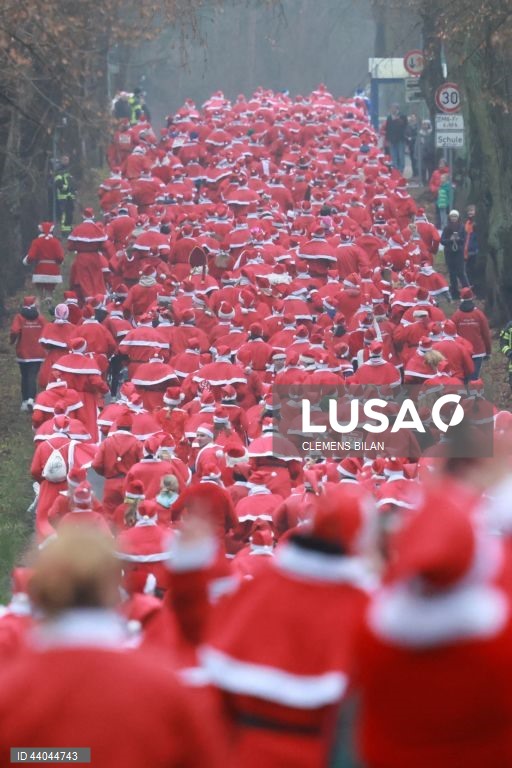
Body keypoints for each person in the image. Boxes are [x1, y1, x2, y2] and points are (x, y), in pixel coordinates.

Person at [0, 529, 225, 768]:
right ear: (112, 586)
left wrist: (65, 756)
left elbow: (21, 755)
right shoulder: (165, 687)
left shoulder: (11, 692)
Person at [9, 297, 46, 411]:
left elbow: (14, 331)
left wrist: (12, 341)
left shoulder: (19, 317)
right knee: (32, 376)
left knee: (25, 376)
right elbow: (47, 331)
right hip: (38, 352)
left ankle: (25, 401)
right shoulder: (40, 318)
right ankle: (31, 399)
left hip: (23, 352)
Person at [440, 209, 469, 300]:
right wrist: (450, 240)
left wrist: (458, 239)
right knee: (452, 274)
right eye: (452, 216)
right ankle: (455, 293)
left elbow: (464, 239)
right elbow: (442, 241)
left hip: (458, 253)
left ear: (458, 217)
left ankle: (467, 291)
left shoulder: (461, 227)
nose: (454, 218)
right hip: (449, 253)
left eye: (455, 216)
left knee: (461, 272)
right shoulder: (446, 228)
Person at [53, 156, 76, 235]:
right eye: (65, 160)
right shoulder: (59, 170)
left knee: (70, 213)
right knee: (64, 213)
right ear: (61, 160)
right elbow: (57, 181)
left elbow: (71, 181)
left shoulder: (68, 170)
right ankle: (64, 231)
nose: (67, 161)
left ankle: (69, 229)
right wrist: (64, 188)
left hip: (70, 195)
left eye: (67, 160)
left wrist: (73, 190)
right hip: (63, 196)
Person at [384, 104, 408, 173]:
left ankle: (401, 170)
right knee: (393, 156)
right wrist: (387, 139)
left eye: (393, 108)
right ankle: (395, 170)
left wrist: (398, 120)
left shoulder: (402, 116)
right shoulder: (389, 117)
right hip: (392, 140)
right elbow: (387, 129)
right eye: (391, 108)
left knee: (401, 156)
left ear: (397, 109)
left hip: (400, 139)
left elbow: (405, 125)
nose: (392, 110)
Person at [464, 204, 479, 291]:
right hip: (467, 249)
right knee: (468, 269)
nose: (470, 212)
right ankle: (469, 285)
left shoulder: (476, 223)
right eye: (469, 211)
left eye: (472, 211)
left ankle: (474, 286)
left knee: (473, 269)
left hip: (474, 249)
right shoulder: (467, 223)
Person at [417, 119, 435, 184]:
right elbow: (417, 144)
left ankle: (430, 181)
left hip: (430, 153)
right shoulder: (420, 133)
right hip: (422, 154)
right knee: (423, 168)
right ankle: (423, 181)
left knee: (430, 168)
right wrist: (416, 153)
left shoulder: (431, 133)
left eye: (426, 124)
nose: (424, 126)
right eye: (423, 124)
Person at [405, 113, 418, 178]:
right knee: (412, 160)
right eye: (411, 117)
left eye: (414, 117)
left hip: (417, 145)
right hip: (411, 145)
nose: (412, 118)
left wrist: (412, 138)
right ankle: (414, 173)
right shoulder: (408, 126)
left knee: (416, 160)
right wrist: (407, 138)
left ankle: (418, 173)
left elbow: (418, 135)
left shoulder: (418, 126)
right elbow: (406, 134)